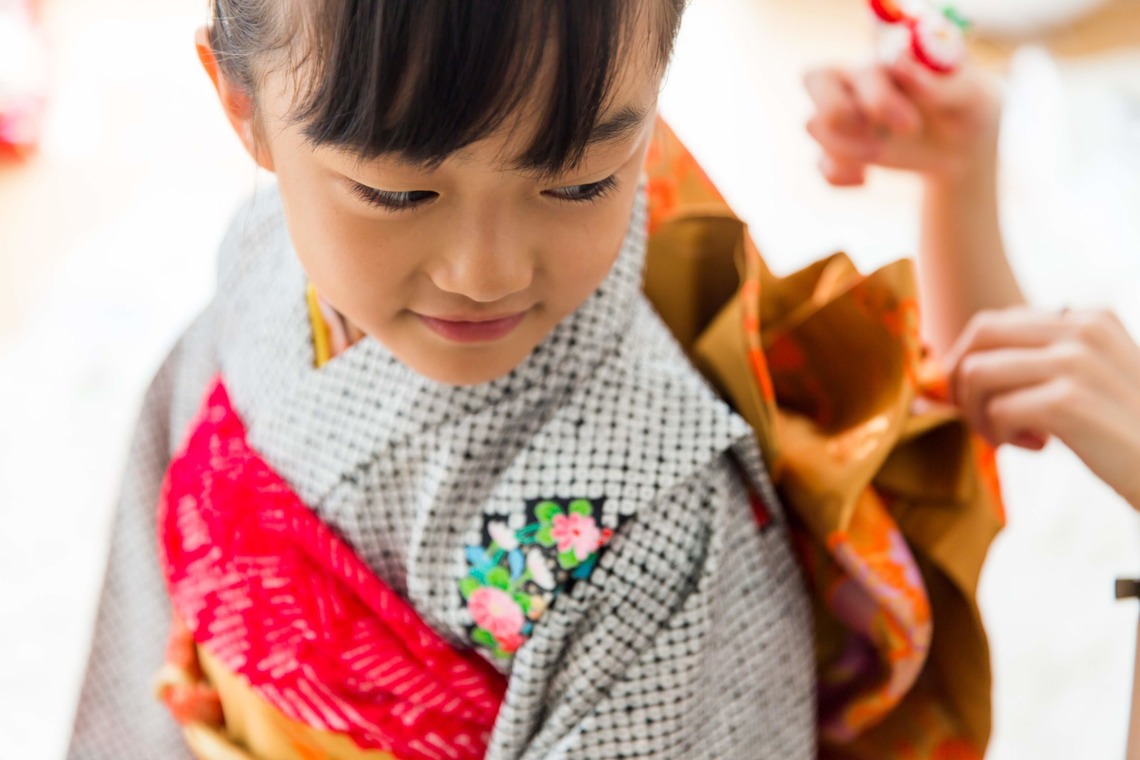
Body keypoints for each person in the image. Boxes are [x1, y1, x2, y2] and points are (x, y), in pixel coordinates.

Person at [66, 2, 1019, 758]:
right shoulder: (260, 256)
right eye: (397, 193)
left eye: (578, 182)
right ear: (243, 106)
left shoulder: (657, 532)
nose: (487, 274)